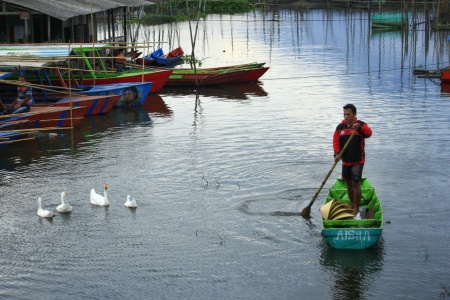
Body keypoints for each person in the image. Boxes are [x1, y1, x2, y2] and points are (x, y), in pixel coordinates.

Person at [333, 104, 372, 220]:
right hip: (346, 161)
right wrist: (336, 154)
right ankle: (352, 204)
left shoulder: (360, 125)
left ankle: (357, 208)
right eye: (344, 114)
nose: (346, 116)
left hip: (357, 161)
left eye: (348, 114)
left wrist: (359, 127)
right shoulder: (340, 127)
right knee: (348, 183)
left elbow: (369, 133)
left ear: (354, 114)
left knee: (356, 183)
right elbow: (336, 141)